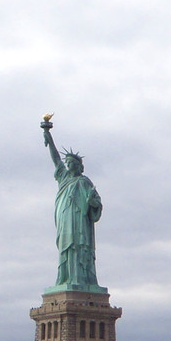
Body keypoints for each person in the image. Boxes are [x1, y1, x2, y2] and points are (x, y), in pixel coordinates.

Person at [42, 118, 104, 290]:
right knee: (66, 249)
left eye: (72, 164)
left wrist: (92, 203)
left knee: (80, 248)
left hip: (80, 223)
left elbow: (96, 204)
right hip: (65, 220)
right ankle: (65, 278)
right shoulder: (63, 178)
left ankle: (83, 281)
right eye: (67, 163)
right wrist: (48, 135)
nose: (69, 166)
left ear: (79, 167)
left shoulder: (85, 182)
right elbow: (55, 159)